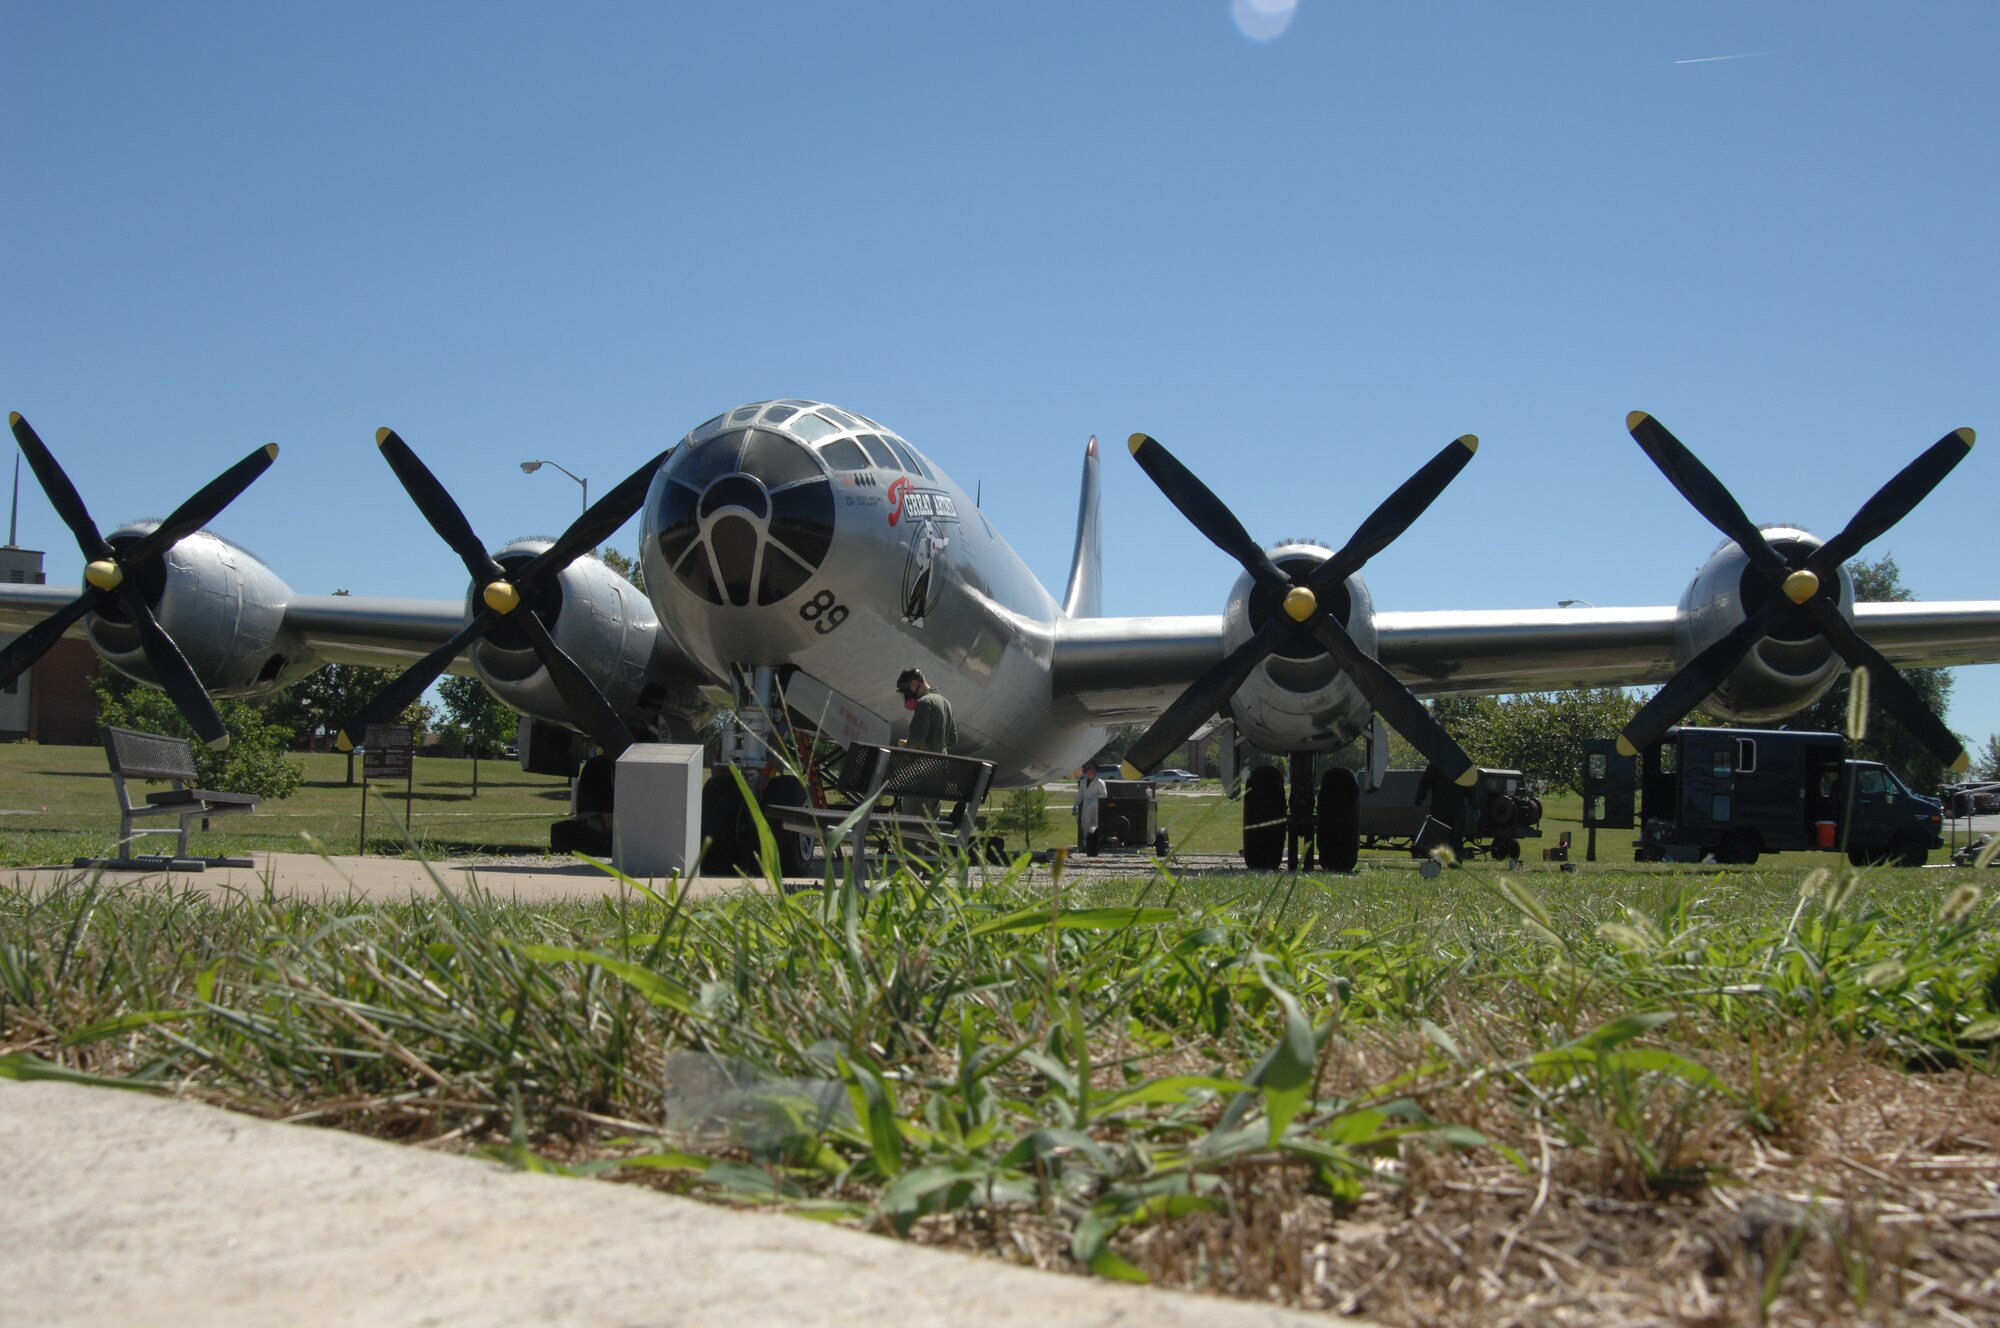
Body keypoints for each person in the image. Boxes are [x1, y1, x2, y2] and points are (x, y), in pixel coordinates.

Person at [895, 667, 955, 821]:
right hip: (941, 772)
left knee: (910, 822)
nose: (906, 695)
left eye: (905, 689)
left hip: (921, 774)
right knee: (931, 822)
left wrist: (905, 748)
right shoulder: (944, 702)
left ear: (914, 683)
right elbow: (952, 740)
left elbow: (916, 740)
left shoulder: (924, 703)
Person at [1074, 760, 1109, 857]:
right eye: (1088, 769)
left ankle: (1094, 847)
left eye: (1091, 770)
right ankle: (1086, 846)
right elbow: (1080, 795)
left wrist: (1093, 799)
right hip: (1086, 808)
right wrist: (1075, 805)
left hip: (1095, 809)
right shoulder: (1083, 782)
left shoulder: (1100, 782)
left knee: (1094, 828)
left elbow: (1104, 795)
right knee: (1084, 826)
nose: (1089, 771)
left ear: (1095, 771)